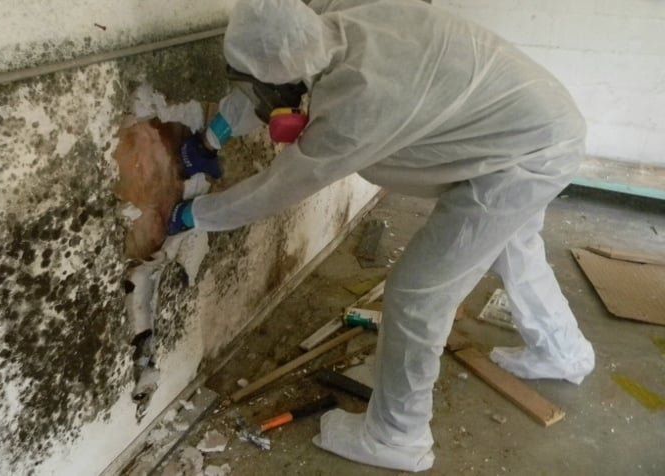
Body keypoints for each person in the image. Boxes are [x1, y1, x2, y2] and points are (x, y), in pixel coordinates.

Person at [169, 0, 595, 471]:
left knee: (418, 293)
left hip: (523, 156)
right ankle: (563, 353)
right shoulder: (337, 16)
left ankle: (398, 435)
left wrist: (193, 215)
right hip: (536, 119)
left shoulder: (356, 107)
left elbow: (277, 189)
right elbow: (272, 61)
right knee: (514, 246)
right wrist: (213, 136)